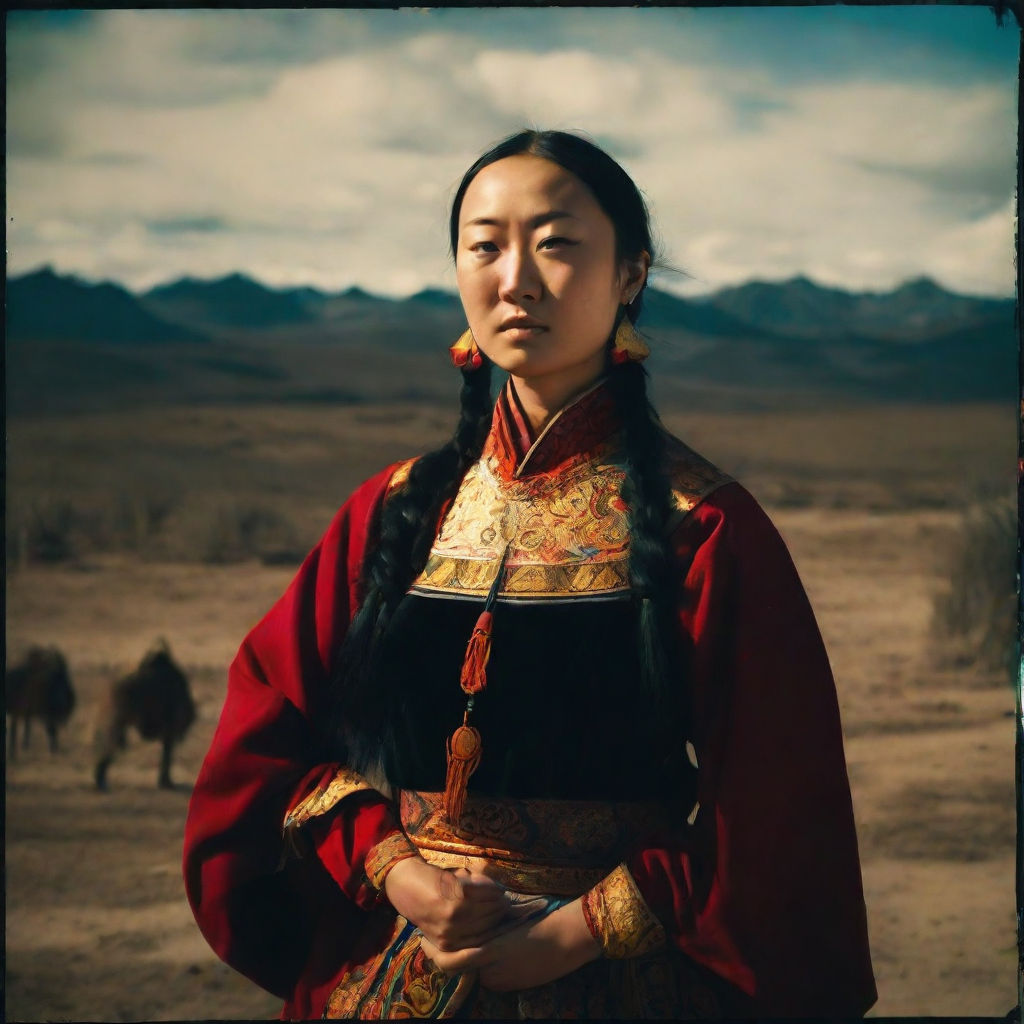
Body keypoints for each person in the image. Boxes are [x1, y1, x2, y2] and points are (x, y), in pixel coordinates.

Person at [183, 129, 877, 1019]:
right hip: (402, 963)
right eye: (485, 245)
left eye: (555, 243)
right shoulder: (395, 510)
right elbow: (268, 729)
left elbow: (779, 810)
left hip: (619, 976)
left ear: (631, 272)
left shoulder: (704, 528)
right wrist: (397, 870)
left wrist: (577, 930)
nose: (515, 277)